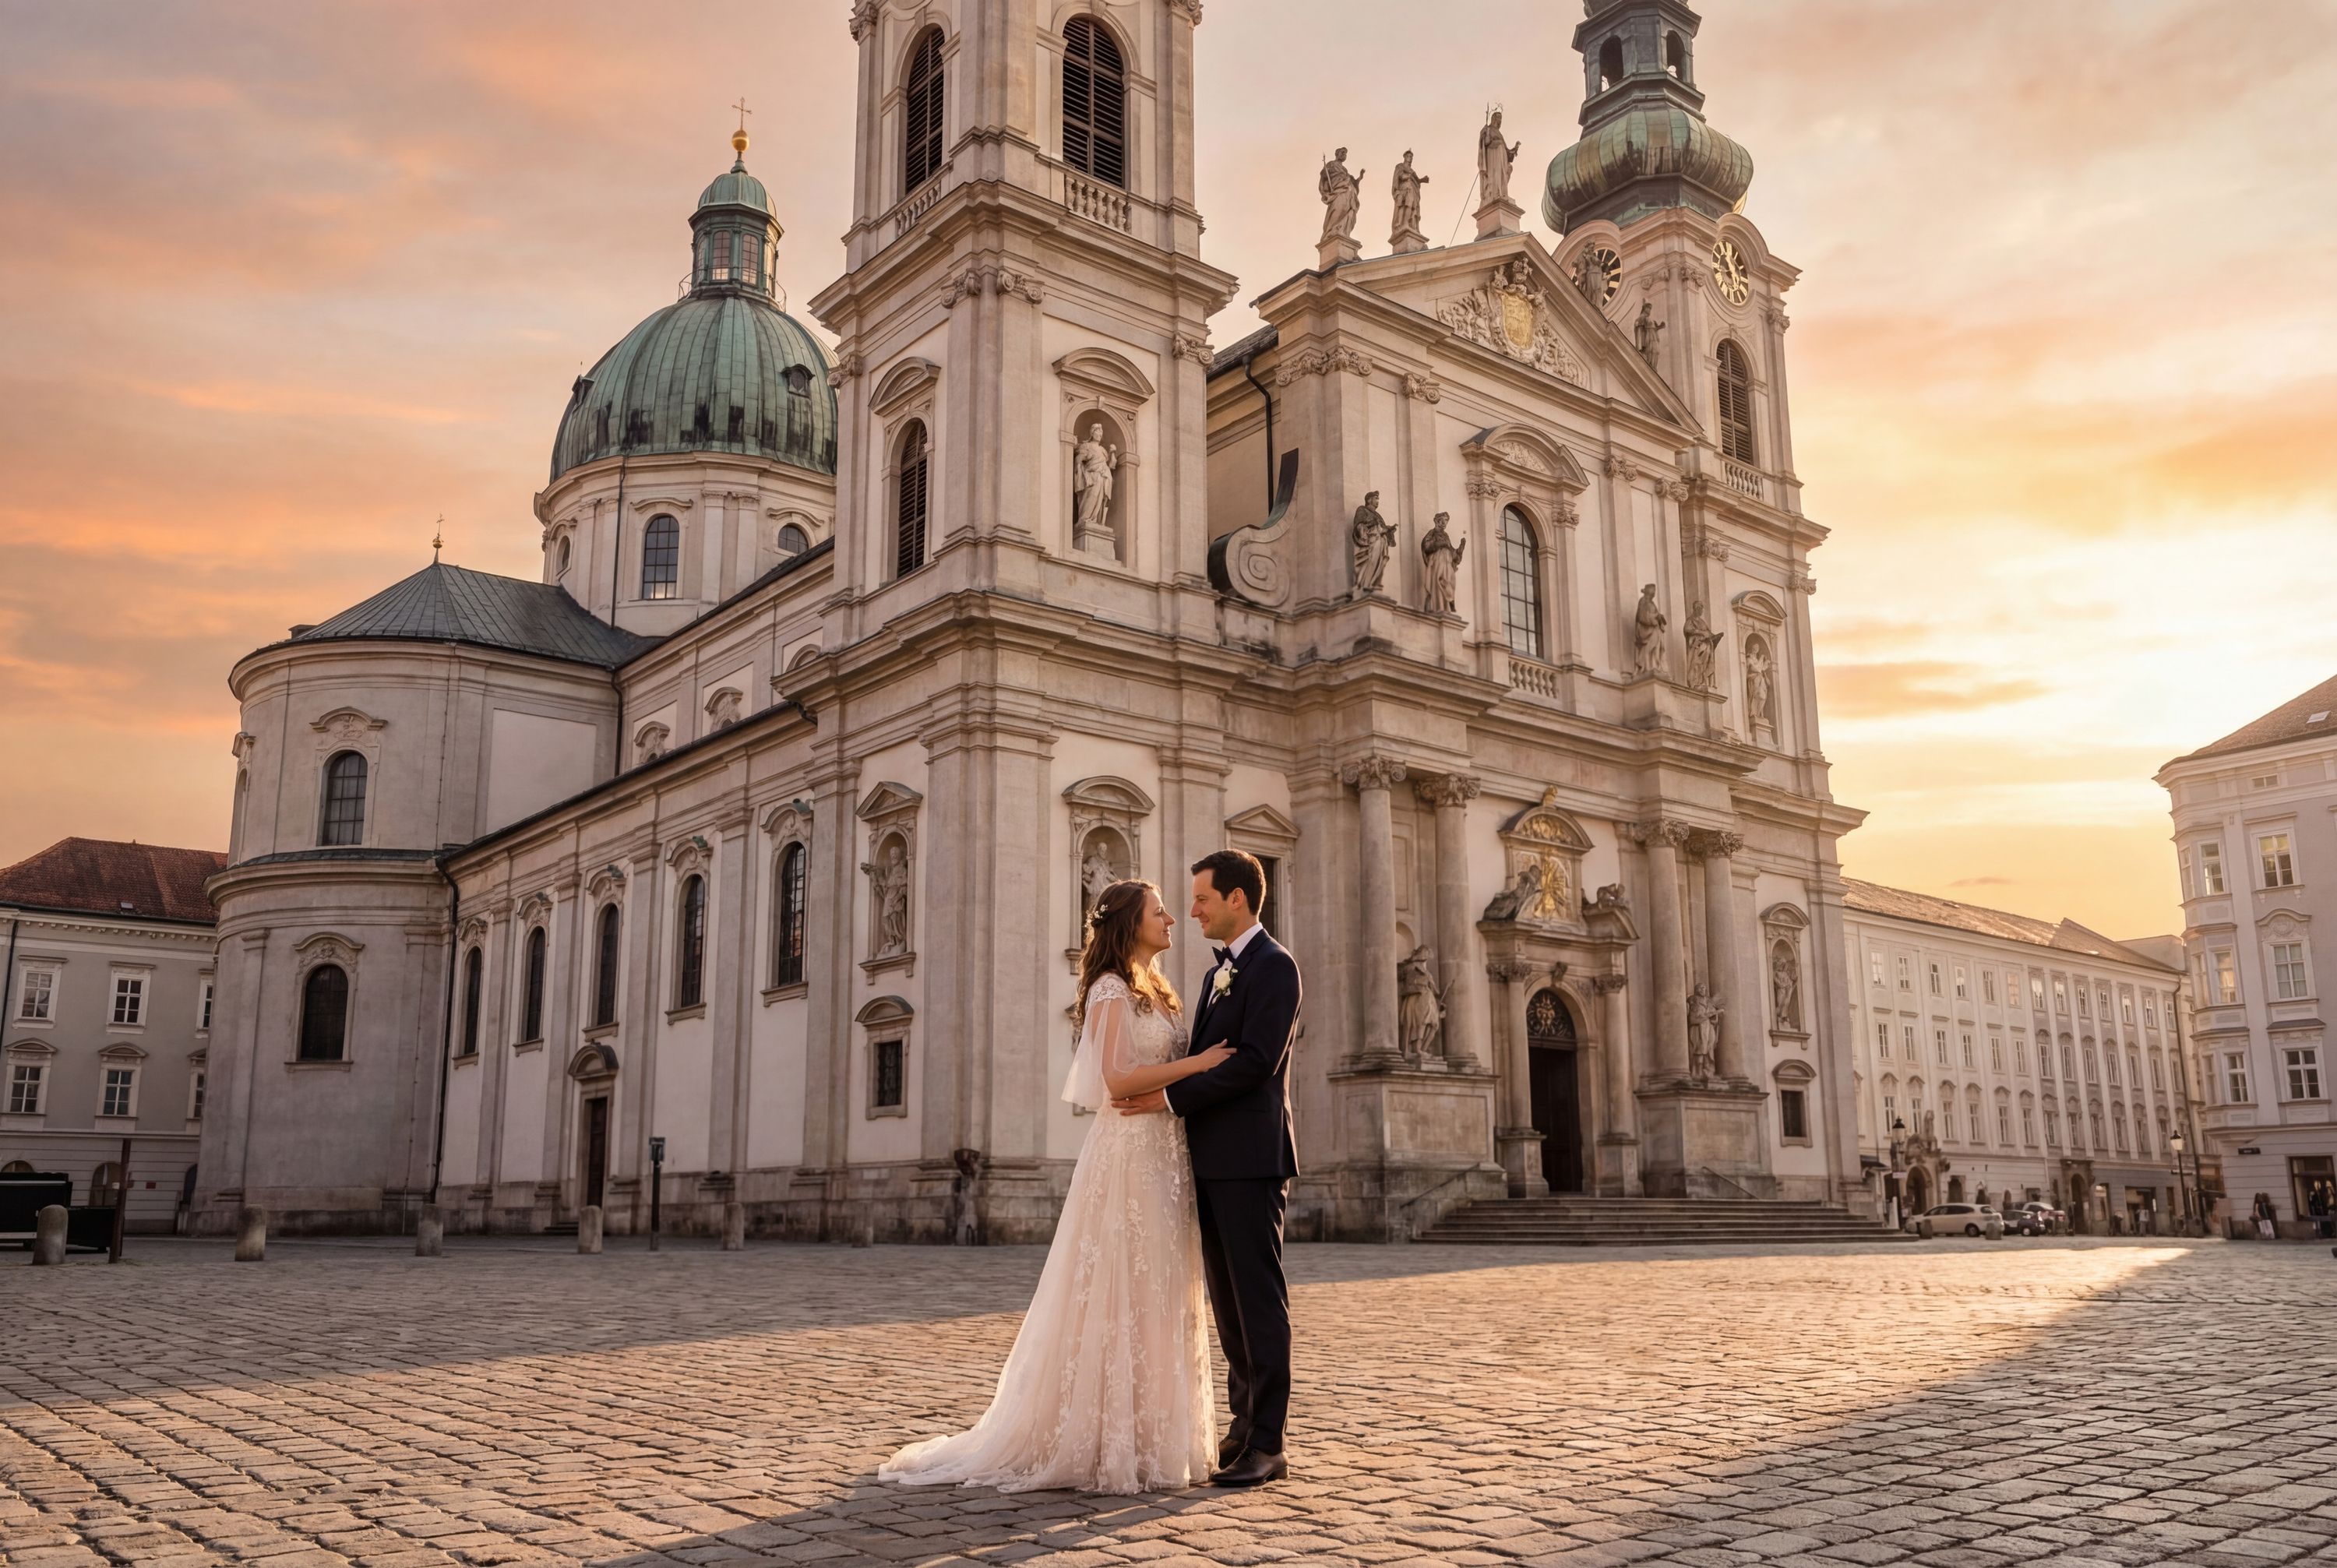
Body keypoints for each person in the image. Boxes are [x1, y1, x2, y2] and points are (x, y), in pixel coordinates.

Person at [879, 880, 1234, 1492]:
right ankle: (1103, 1433)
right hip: (1128, 1156)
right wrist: (1198, 1065)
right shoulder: (1109, 987)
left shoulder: (1163, 989)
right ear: (1130, 923)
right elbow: (1118, 1078)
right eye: (1159, 911)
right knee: (1124, 1286)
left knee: (1161, 1288)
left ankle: (1154, 1433)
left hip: (1166, 1156)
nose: (1172, 917)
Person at [1114, 849, 1302, 1488]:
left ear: (1238, 900)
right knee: (1227, 1302)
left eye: (1201, 899)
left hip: (1251, 1158)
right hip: (1211, 1158)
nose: (1191, 910)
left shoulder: (1275, 967)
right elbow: (1203, 1055)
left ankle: (1269, 1441)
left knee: (1258, 1298)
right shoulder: (1215, 973)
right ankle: (1242, 1425)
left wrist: (1166, 1098)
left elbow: (1254, 1063)